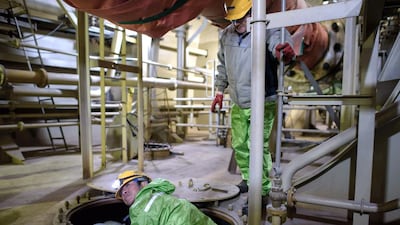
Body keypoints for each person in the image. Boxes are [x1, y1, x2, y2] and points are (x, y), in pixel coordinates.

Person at [211, 0, 295, 201]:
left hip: (262, 101)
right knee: (239, 144)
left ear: (252, 12)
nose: (236, 23)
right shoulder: (227, 35)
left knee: (258, 147)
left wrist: (282, 49)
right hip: (238, 101)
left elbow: (280, 39)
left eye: (240, 18)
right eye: (234, 19)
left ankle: (263, 190)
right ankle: (249, 179)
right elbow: (223, 65)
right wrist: (219, 91)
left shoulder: (266, 29)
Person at [114, 170, 217, 225]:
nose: (124, 191)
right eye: (121, 191)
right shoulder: (161, 196)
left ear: (143, 184)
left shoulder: (143, 211)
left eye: (128, 185)